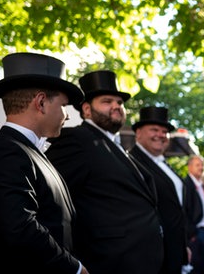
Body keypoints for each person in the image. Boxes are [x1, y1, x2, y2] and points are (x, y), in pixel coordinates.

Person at [45, 70, 164, 274]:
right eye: (107, 101)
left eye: (120, 102)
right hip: (108, 260)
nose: (117, 106)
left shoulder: (117, 146)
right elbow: (52, 201)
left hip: (142, 259)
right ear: (87, 109)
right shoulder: (76, 139)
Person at [0, 53, 89, 274]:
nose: (66, 116)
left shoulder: (30, 151)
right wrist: (74, 268)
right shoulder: (7, 150)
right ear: (41, 103)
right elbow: (19, 226)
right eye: (64, 105)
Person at [128, 106, 191, 274]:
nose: (161, 135)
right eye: (154, 129)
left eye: (165, 131)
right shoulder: (131, 162)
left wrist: (184, 245)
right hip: (152, 254)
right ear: (138, 133)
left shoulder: (163, 163)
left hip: (175, 250)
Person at [184, 155, 204, 274]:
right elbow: (185, 210)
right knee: (197, 267)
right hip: (197, 233)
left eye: (202, 164)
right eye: (198, 165)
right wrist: (192, 233)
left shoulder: (200, 184)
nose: (201, 167)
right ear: (189, 167)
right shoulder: (187, 184)